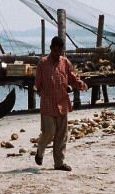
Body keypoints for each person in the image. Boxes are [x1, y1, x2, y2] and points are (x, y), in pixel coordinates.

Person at [34, 36, 88, 171]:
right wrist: (39, 90)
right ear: (51, 48)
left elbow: (72, 78)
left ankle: (59, 163)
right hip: (47, 103)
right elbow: (37, 84)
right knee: (49, 132)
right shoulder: (43, 63)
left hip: (62, 103)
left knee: (61, 135)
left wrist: (80, 84)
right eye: (55, 50)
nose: (57, 53)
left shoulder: (65, 62)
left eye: (60, 51)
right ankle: (40, 152)